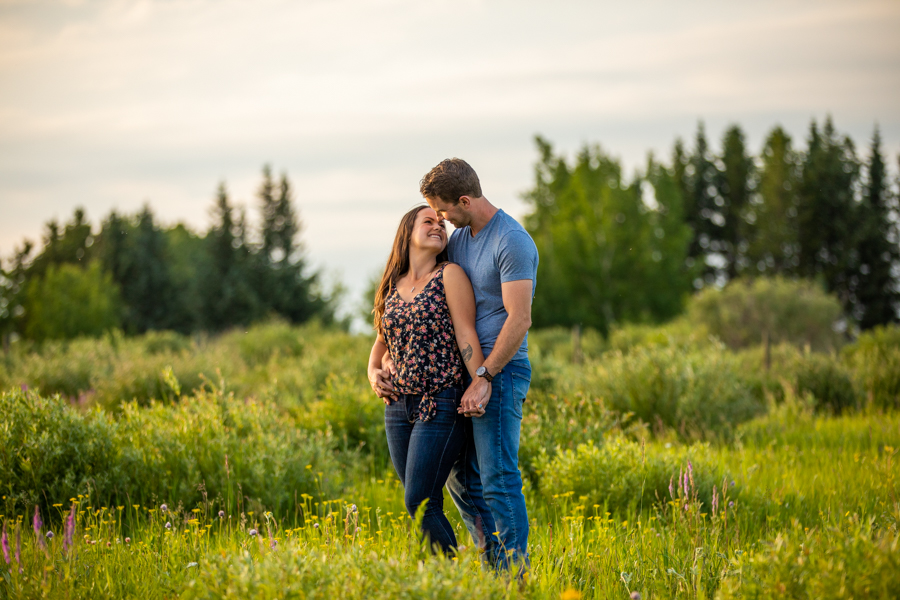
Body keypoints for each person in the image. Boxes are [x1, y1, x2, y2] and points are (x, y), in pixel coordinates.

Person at [397, 158, 539, 570]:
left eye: (442, 211)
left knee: (497, 478)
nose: (441, 221)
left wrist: (485, 375)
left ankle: (515, 575)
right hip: (464, 376)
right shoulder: (460, 240)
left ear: (463, 200)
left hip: (501, 370)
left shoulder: (510, 240)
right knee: (463, 480)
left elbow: (520, 318)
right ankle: (491, 565)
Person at [366, 205, 491, 555]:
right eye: (429, 221)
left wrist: (480, 380)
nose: (439, 226)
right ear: (407, 232)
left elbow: (466, 334)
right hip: (397, 407)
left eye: (441, 223)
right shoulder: (391, 285)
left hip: (441, 401)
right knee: (419, 505)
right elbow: (380, 345)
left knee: (419, 500)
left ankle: (450, 581)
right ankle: (445, 582)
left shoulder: (449, 274)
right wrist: (374, 375)